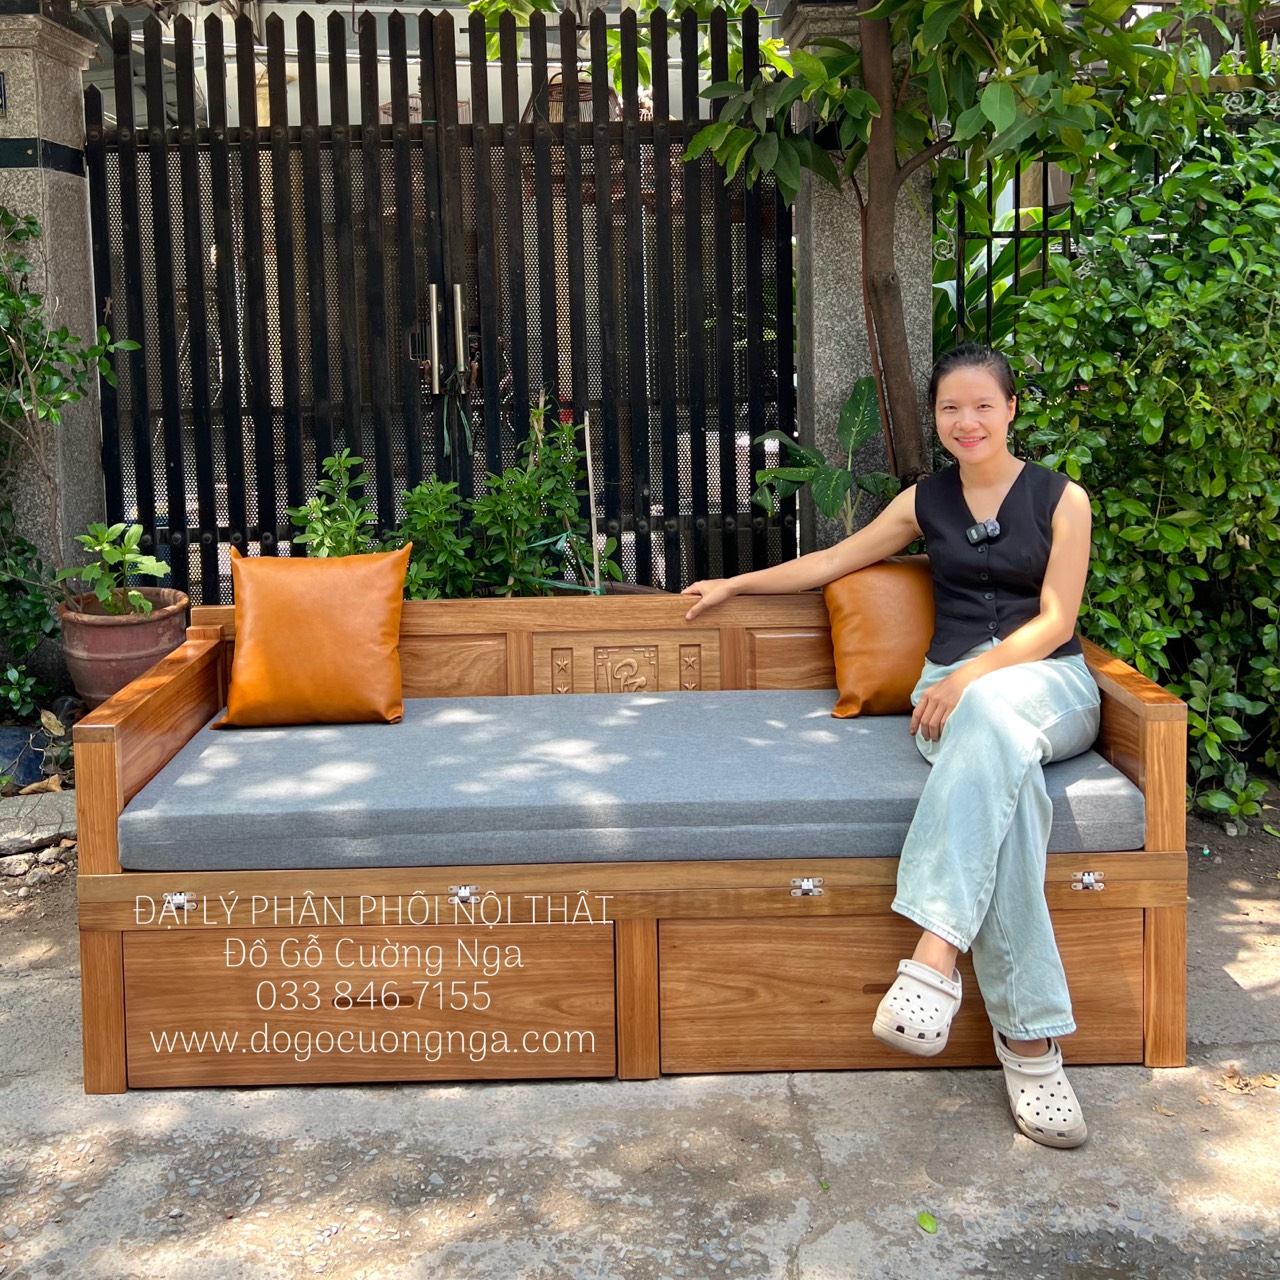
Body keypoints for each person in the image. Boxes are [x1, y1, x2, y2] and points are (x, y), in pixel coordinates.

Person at [682, 343, 1100, 1149]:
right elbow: (836, 559)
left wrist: (970, 677)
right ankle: (1032, 1049)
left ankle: (934, 955)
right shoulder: (925, 500)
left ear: (1011, 410)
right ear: (936, 417)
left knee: (994, 715)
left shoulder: (1062, 499)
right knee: (1011, 798)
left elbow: (1056, 621)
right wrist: (736, 583)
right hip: (953, 698)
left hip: (1048, 685)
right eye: (951, 408)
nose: (967, 421)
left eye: (983, 405)